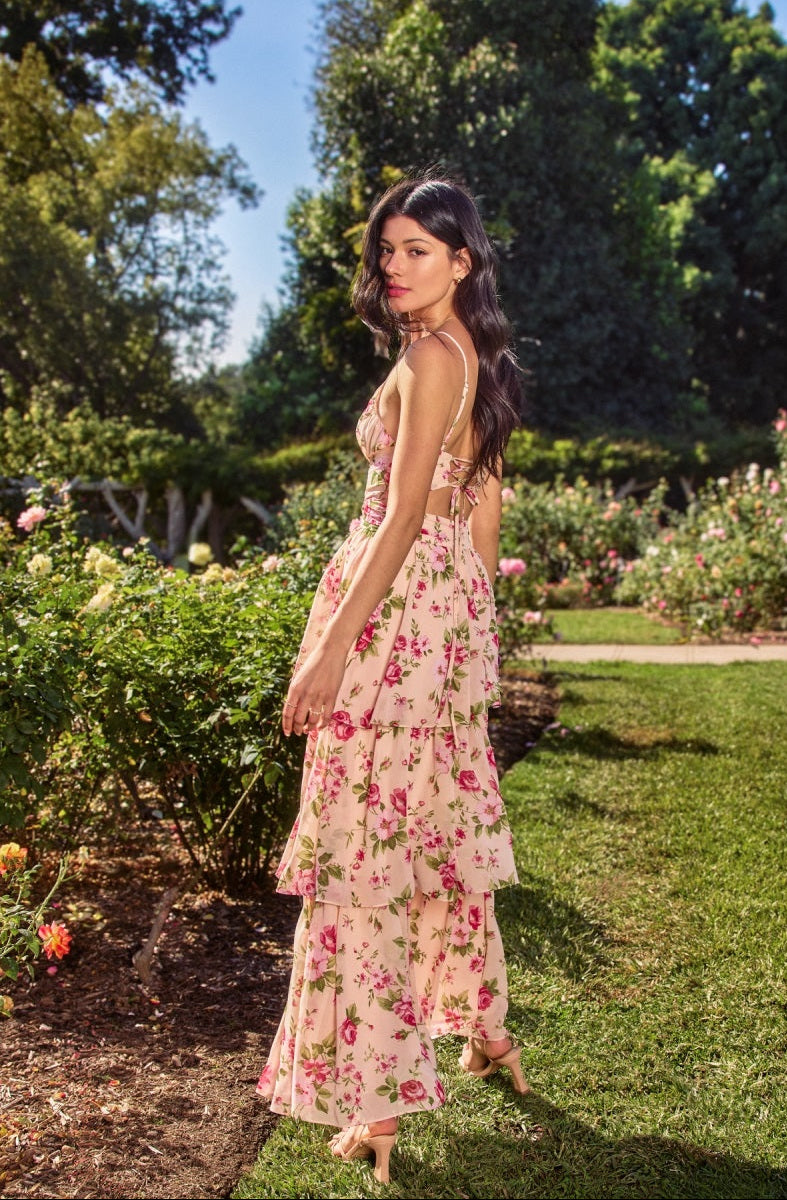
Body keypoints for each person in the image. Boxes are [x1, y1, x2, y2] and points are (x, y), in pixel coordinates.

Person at [256, 173, 527, 1185]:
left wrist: (331, 648)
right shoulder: (475, 355)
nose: (396, 265)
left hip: (396, 608)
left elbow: (405, 512)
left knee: (363, 846)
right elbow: (482, 501)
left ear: (462, 260)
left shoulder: (431, 357)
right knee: (427, 831)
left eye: (419, 249)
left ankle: (376, 1103)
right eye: (387, 249)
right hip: (438, 611)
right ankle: (484, 1031)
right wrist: (475, 634)